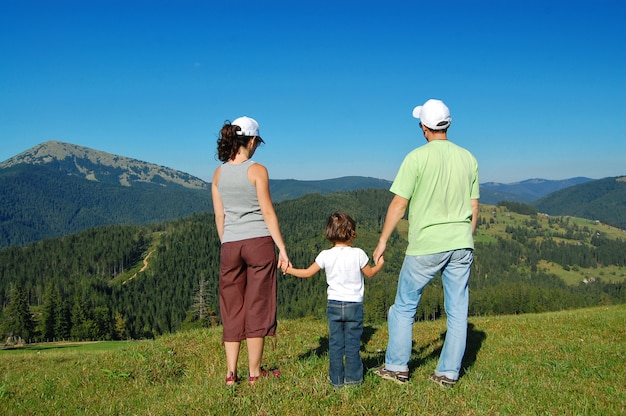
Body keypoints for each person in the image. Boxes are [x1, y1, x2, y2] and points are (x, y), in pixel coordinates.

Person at [372, 99, 479, 388]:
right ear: (448, 124)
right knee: (457, 311)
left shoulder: (416, 158)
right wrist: (464, 236)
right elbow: (474, 206)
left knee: (404, 306)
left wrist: (382, 241)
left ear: (424, 127)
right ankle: (448, 374)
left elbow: (398, 204)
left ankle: (396, 367)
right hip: (461, 242)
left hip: (426, 244)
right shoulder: (469, 158)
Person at [211, 116, 290, 386]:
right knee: (258, 305)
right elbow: (267, 212)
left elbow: (219, 217)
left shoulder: (218, 174)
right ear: (253, 140)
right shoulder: (257, 170)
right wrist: (281, 248)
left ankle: (231, 374)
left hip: (230, 245)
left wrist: (228, 242)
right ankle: (255, 373)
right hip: (258, 243)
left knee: (232, 308)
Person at [285, 212, 384, 388]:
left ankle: (336, 380)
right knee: (353, 344)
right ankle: (354, 380)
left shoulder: (325, 255)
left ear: (329, 233)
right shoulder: (359, 254)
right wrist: (380, 265)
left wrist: (288, 269)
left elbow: (307, 273)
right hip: (354, 305)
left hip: (334, 304)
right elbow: (369, 273)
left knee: (336, 344)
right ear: (352, 232)